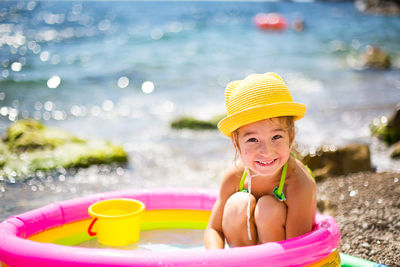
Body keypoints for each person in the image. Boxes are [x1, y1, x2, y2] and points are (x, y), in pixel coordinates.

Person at [204, 72, 316, 249]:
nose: (267, 151)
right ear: (236, 143)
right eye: (253, 140)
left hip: (284, 258)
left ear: (291, 137)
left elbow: (298, 248)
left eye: (276, 136)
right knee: (237, 204)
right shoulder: (235, 176)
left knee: (268, 208)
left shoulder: (298, 182)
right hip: (247, 255)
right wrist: (215, 259)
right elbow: (213, 230)